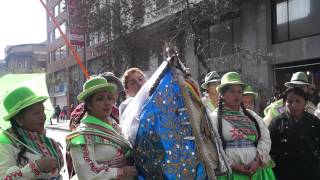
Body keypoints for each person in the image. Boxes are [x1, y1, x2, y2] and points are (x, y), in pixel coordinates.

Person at [66, 77, 136, 180]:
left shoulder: (115, 125)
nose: (107, 102)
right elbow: (86, 174)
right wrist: (120, 172)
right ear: (89, 105)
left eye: (109, 98)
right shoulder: (81, 136)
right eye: (100, 98)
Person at [210, 72, 275, 180]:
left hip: (256, 172)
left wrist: (257, 161)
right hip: (229, 173)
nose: (236, 95)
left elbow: (265, 138)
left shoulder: (253, 116)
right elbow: (211, 147)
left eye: (239, 91)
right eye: (232, 91)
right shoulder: (214, 118)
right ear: (222, 94)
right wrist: (230, 165)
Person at [0, 87, 64, 179]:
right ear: (19, 119)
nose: (43, 117)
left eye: (43, 111)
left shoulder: (41, 138)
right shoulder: (4, 144)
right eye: (37, 113)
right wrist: (36, 167)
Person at [269, 87, 320, 179]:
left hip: (310, 172)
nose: (294, 105)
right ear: (285, 103)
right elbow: (269, 147)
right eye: (290, 101)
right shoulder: (277, 122)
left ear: (305, 103)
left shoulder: (314, 122)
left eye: (298, 101)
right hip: (284, 172)